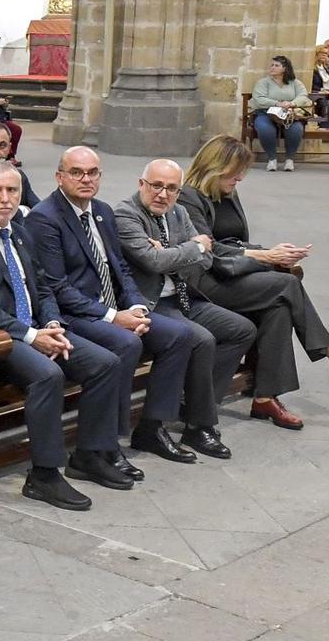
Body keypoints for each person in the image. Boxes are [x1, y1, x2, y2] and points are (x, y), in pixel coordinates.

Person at [0, 161, 129, 511]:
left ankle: (89, 454)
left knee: (105, 363)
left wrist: (53, 323)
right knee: (48, 374)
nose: (5, 199)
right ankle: (43, 475)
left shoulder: (20, 232)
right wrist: (31, 335)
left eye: (12, 191)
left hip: (30, 331)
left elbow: (42, 287)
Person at [28, 147, 228, 469]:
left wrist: (136, 305)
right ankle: (108, 443)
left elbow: (120, 269)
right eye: (77, 172)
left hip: (114, 308)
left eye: (92, 173)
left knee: (180, 336)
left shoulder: (102, 211)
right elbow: (56, 287)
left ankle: (152, 427)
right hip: (77, 314)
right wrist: (113, 317)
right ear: (59, 176)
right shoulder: (45, 218)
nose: (86, 179)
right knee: (127, 342)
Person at [179, 137, 329, 393]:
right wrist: (267, 256)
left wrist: (271, 252)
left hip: (231, 274)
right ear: (214, 169)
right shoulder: (188, 198)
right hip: (204, 282)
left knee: (278, 309)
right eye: (234, 174)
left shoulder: (227, 192)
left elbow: (235, 241)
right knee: (287, 284)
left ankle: (266, 399)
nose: (239, 179)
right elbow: (208, 250)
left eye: (241, 174)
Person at [115, 159, 300, 431]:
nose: (163, 194)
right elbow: (154, 262)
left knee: (242, 329)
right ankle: (198, 424)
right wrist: (191, 248)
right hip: (151, 304)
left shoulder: (178, 212)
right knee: (201, 338)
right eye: (156, 186)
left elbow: (207, 258)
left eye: (171, 188)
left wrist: (176, 252)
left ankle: (195, 403)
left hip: (183, 296)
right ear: (141, 184)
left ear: (179, 192)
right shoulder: (126, 214)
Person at [249, 55, 313, 169]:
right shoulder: (263, 82)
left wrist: (292, 103)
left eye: (276, 65)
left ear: (285, 68)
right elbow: (259, 99)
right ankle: (272, 159)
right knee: (265, 129)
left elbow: (303, 96)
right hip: (266, 113)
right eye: (272, 65)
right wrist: (277, 103)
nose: (272, 67)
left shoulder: (295, 83)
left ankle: (289, 160)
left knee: (296, 129)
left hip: (289, 114)